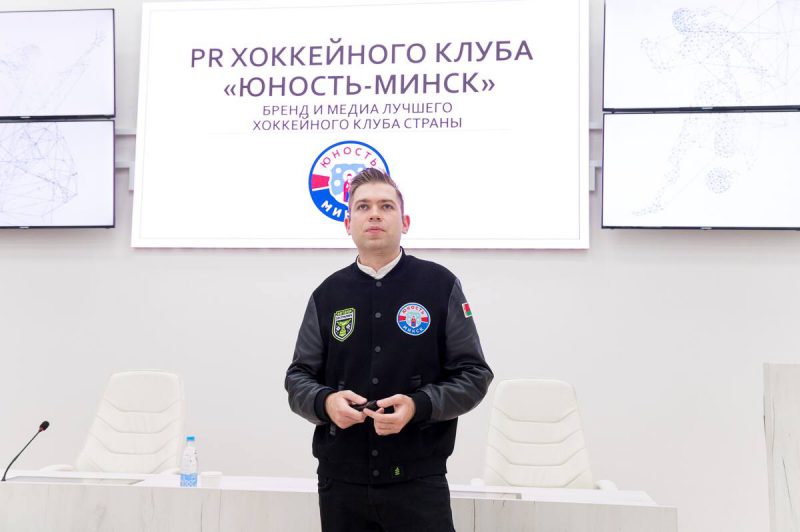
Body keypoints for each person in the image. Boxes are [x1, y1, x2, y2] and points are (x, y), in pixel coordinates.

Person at [285, 168, 493, 532]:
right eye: (363, 207)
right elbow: (298, 377)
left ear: (405, 222)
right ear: (348, 224)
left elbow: (474, 375)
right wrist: (326, 402)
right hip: (341, 484)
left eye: (386, 206)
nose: (375, 214)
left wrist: (418, 405)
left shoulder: (439, 285)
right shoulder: (327, 294)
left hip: (418, 482)